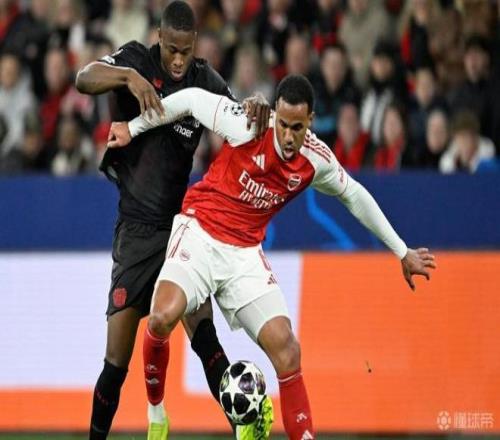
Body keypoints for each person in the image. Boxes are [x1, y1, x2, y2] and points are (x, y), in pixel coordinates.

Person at [108, 74, 437, 440]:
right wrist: (132, 128)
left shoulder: (315, 159)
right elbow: (191, 100)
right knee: (160, 319)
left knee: (288, 351)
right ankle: (156, 415)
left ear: (310, 121)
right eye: (283, 124)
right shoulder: (248, 124)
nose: (289, 136)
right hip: (200, 231)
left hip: (244, 253)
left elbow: (354, 195)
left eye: (298, 127)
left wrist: (402, 251)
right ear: (276, 114)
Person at [75, 2, 273, 440]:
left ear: (195, 43)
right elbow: (83, 78)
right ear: (160, 39)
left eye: (186, 51)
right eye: (172, 50)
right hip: (135, 231)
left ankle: (243, 428)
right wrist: (128, 77)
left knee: (205, 338)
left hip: (182, 229)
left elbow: (242, 123)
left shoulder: (205, 80)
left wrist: (256, 105)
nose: (179, 60)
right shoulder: (135, 59)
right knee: (115, 364)